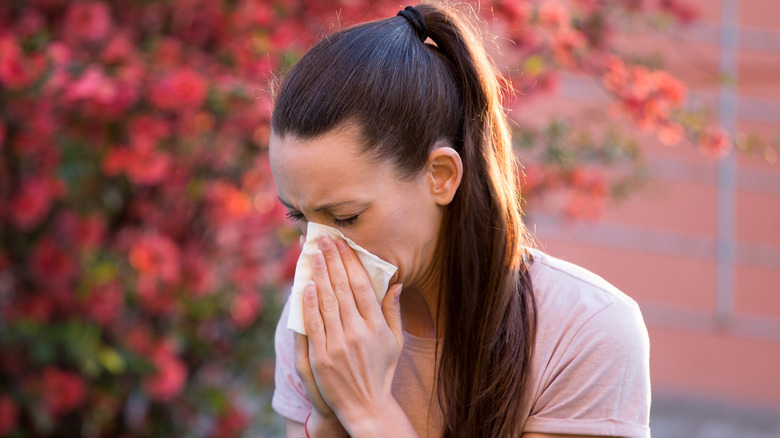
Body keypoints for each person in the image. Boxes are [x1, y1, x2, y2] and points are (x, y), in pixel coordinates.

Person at [269, 3, 650, 437]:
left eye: (346, 216)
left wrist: (367, 409)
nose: (319, 249)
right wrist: (328, 415)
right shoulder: (320, 326)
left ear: (441, 177)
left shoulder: (584, 332)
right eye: (299, 215)